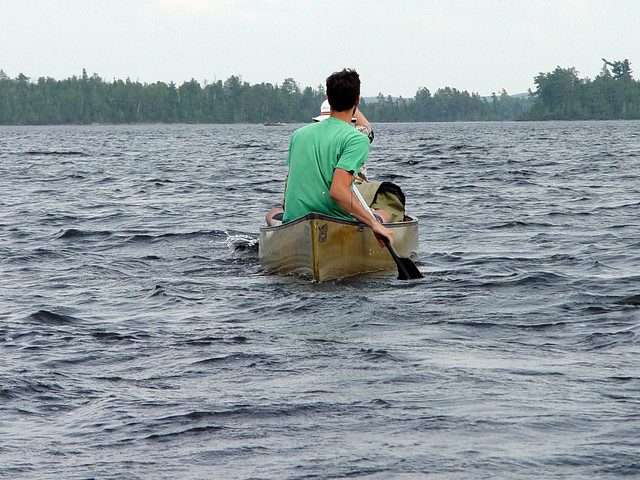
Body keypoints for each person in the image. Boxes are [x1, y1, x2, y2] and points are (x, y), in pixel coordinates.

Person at [265, 69, 392, 247]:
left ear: (328, 98)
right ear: (357, 100)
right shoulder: (357, 139)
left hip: (296, 221)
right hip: (334, 222)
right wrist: (374, 223)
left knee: (273, 213)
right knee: (386, 214)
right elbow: (338, 192)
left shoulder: (298, 134)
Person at [313, 98, 374, 182]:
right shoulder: (354, 139)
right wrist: (350, 102)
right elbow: (366, 129)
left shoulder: (307, 141)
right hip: (352, 188)